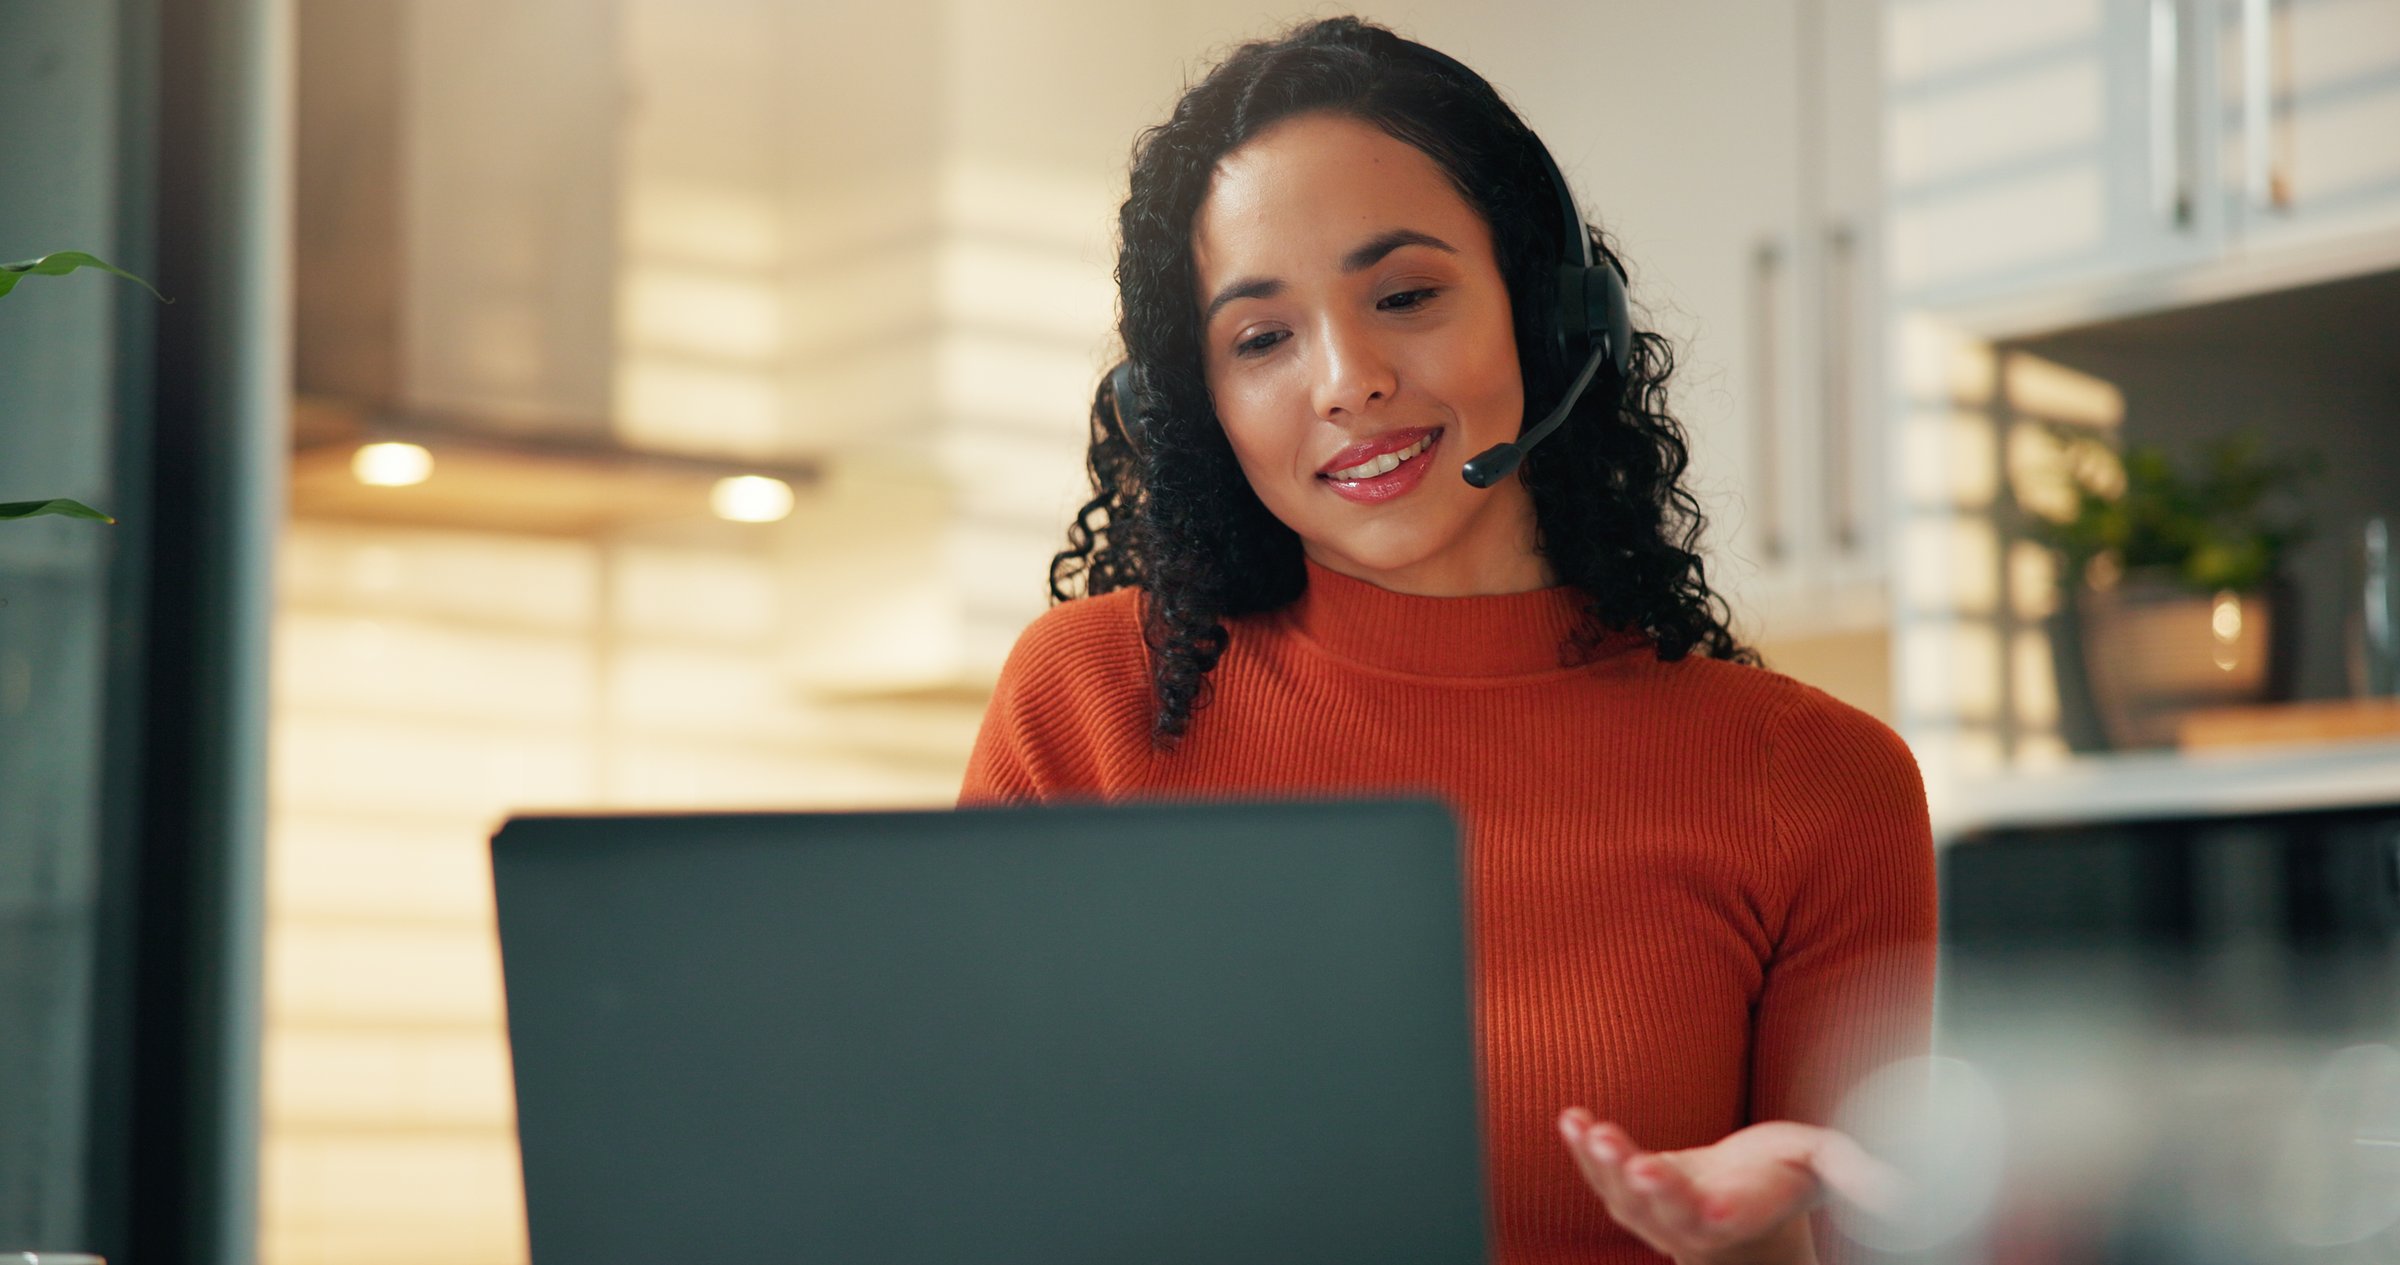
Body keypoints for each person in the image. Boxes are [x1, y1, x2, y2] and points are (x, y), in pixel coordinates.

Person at [958, 16, 1937, 1265]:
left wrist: (1746, 1244)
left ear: (1548, 309)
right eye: (1260, 338)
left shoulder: (1819, 784)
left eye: (1407, 295)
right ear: (1197, 407)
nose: (1348, 378)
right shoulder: (1091, 698)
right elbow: (959, 1189)